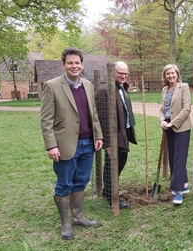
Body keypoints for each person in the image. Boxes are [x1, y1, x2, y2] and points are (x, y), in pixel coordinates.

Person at [40, 47, 103, 240]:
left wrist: (98, 135)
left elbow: (93, 113)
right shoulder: (52, 86)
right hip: (64, 145)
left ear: (82, 65)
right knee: (64, 184)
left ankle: (79, 216)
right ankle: (66, 223)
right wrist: (51, 145)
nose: (74, 66)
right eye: (70, 63)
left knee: (82, 181)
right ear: (63, 65)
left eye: (77, 63)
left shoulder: (88, 85)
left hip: (87, 144)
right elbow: (46, 120)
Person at [96, 61, 137, 209]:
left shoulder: (121, 88)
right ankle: (111, 196)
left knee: (120, 161)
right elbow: (102, 119)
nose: (124, 76)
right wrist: (107, 143)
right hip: (113, 136)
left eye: (126, 73)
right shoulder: (105, 91)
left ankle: (109, 191)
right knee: (112, 165)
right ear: (113, 72)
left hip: (123, 132)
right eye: (120, 73)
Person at [159, 64, 192, 205]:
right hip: (168, 126)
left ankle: (178, 191)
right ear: (165, 76)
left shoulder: (183, 87)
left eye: (173, 73)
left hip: (181, 127)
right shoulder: (165, 90)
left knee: (179, 157)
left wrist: (173, 122)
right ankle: (184, 184)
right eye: (168, 74)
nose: (170, 76)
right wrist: (162, 120)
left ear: (177, 74)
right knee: (173, 157)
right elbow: (162, 109)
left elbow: (186, 108)